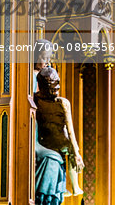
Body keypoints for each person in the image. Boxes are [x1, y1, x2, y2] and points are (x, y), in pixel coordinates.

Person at [35, 67, 84, 196]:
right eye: (53, 88)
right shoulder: (62, 103)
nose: (56, 91)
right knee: (70, 149)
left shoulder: (36, 99)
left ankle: (71, 187)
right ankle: (75, 186)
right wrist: (76, 153)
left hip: (47, 140)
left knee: (69, 149)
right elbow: (70, 131)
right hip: (54, 141)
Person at [33, 39, 67, 205]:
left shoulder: (47, 75)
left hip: (44, 128)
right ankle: (44, 198)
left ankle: (51, 198)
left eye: (48, 58)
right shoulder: (32, 77)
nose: (46, 62)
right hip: (33, 131)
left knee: (60, 155)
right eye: (43, 57)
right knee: (53, 157)